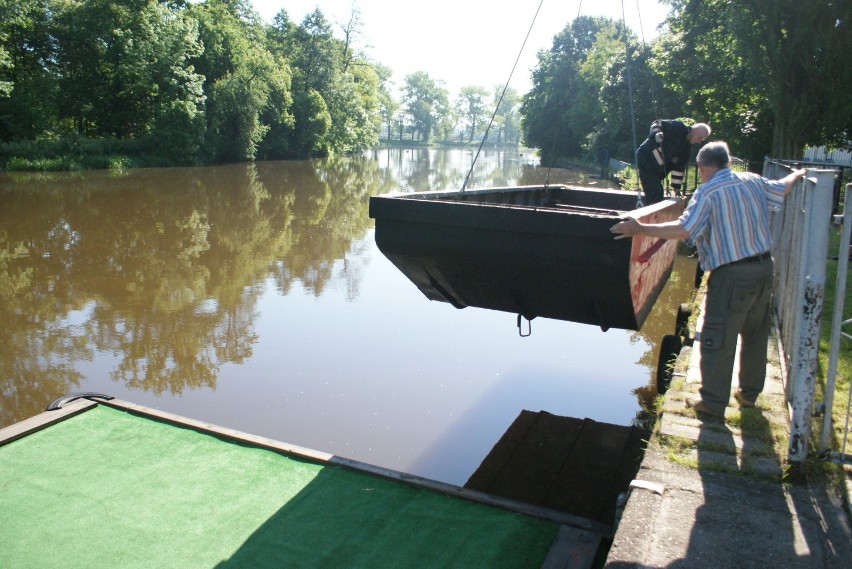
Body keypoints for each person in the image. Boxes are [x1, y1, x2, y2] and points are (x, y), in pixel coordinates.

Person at [610, 141, 806, 418]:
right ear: (726, 161)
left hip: (732, 274)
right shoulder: (751, 180)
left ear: (703, 166)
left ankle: (712, 404)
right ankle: (749, 395)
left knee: (718, 338)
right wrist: (796, 175)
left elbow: (684, 228)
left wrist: (640, 228)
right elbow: (782, 187)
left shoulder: (708, 191)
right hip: (764, 268)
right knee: (755, 335)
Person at [636, 119, 711, 204]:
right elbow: (657, 122)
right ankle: (652, 213)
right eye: (700, 138)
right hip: (646, 156)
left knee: (656, 191)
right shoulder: (678, 127)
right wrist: (655, 134)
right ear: (696, 130)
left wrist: (676, 188)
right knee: (655, 191)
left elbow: (679, 168)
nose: (699, 141)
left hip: (657, 166)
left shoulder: (686, 148)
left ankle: (653, 211)